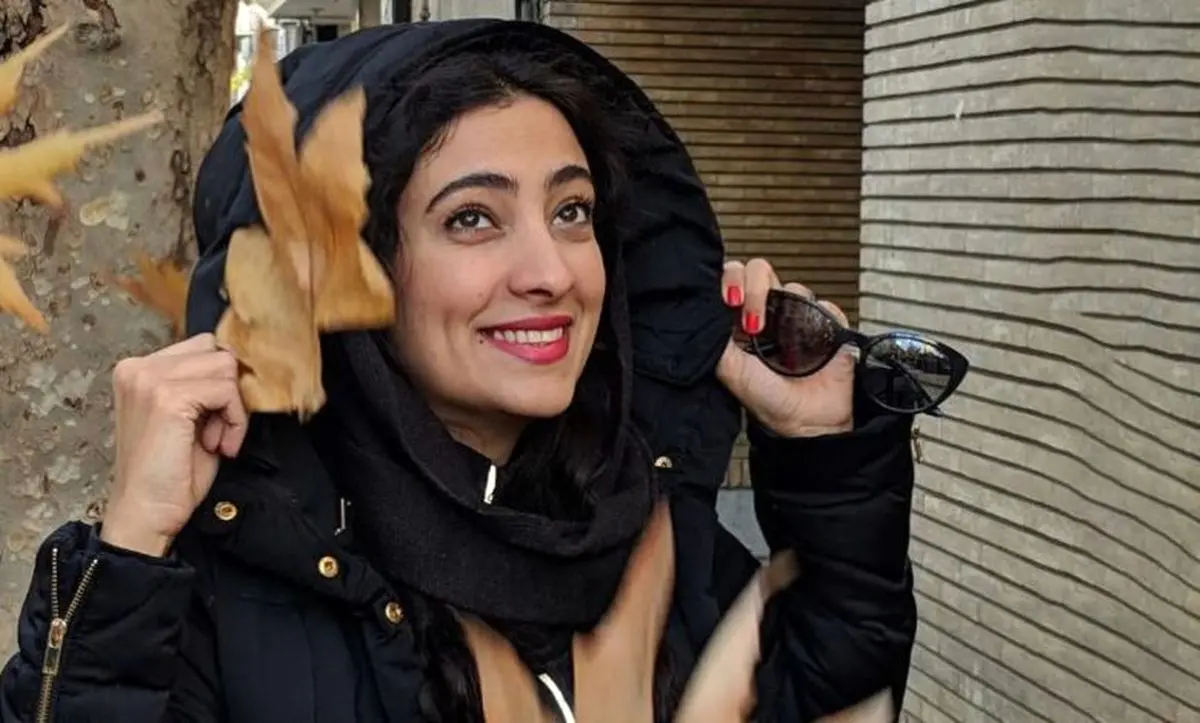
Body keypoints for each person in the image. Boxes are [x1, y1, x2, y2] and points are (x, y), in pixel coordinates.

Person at [0, 19, 917, 723]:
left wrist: (825, 454)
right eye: (472, 218)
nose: (551, 272)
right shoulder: (221, 592)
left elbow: (829, 691)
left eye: (572, 211)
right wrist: (128, 549)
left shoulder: (647, 527)